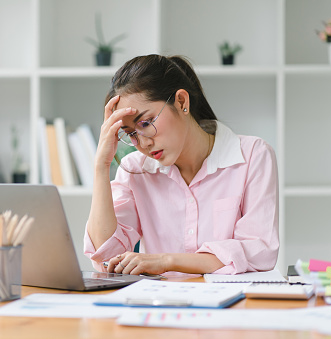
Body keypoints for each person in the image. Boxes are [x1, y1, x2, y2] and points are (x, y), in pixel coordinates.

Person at [83, 54, 279, 276]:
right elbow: (105, 258)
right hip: (160, 306)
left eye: (146, 123)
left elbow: (260, 252)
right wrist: (101, 166)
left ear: (182, 102)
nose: (143, 143)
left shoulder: (253, 156)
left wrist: (166, 261)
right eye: (131, 133)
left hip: (231, 307)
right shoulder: (134, 170)